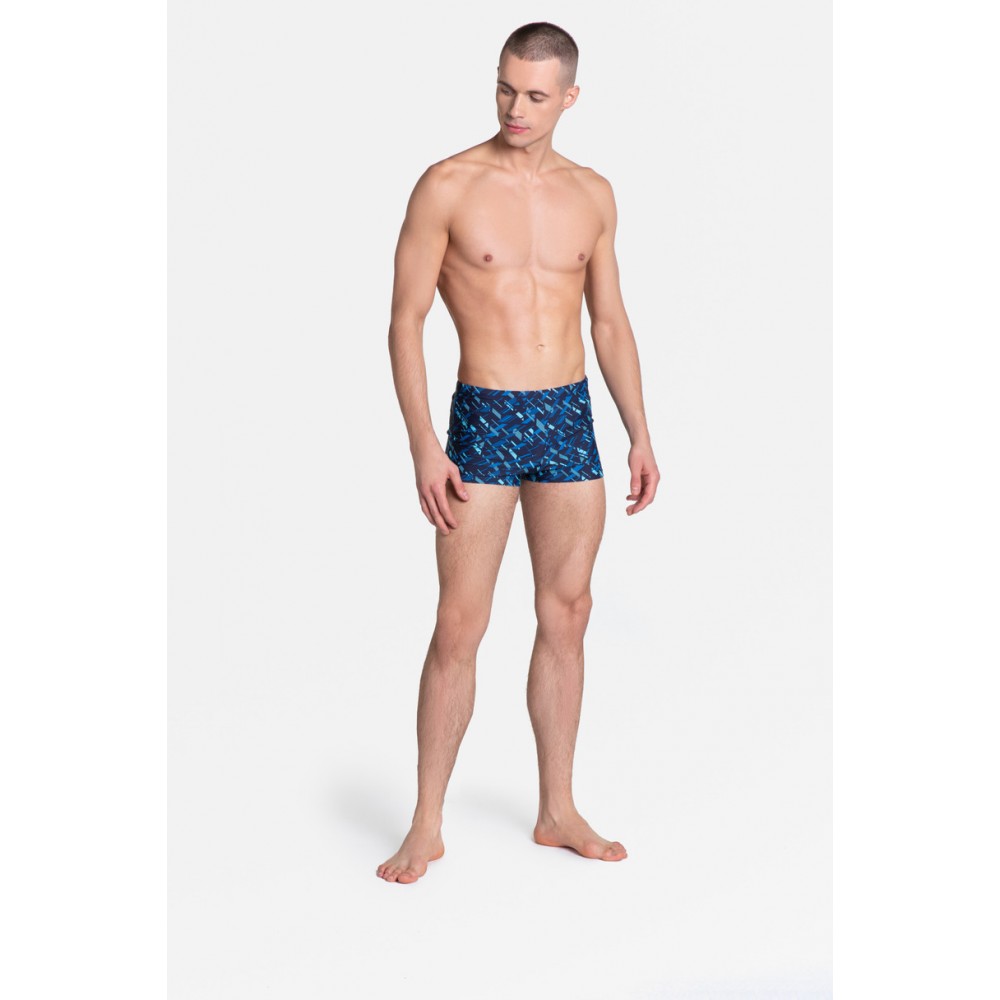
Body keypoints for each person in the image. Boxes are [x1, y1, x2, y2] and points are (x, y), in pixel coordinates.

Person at [379, 21, 659, 884]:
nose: (516, 107)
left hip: (568, 416)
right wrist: (424, 445)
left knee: (567, 612)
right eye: (505, 87)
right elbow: (405, 321)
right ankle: (426, 823)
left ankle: (556, 809)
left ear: (570, 96)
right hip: (486, 417)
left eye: (536, 94)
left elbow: (608, 321)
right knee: (459, 624)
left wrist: (640, 430)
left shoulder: (593, 194)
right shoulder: (448, 185)